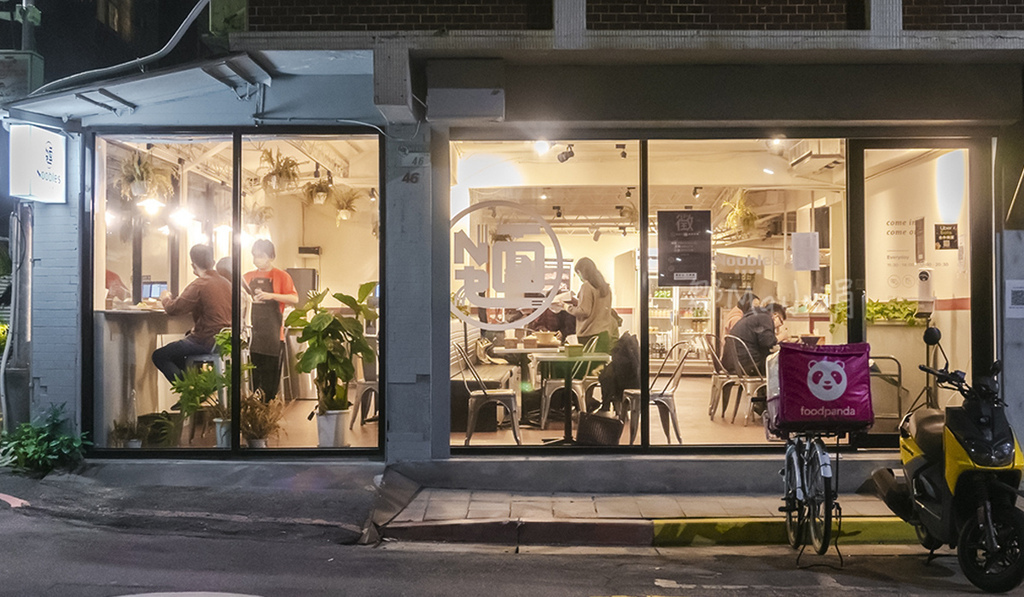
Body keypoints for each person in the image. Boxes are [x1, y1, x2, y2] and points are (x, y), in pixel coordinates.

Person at [152, 245, 232, 383]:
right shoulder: (227, 283)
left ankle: (190, 391)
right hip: (224, 340)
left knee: (160, 356)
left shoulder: (200, 284)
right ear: (213, 262)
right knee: (179, 353)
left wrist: (165, 297)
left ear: (193, 265)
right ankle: (196, 390)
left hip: (205, 340)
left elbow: (173, 309)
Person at [243, 239, 298, 401]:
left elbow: (294, 298)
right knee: (252, 378)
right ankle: (252, 412)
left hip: (273, 335)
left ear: (271, 256)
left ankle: (265, 413)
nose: (257, 259)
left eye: (261, 255)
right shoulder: (247, 277)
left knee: (269, 381)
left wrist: (271, 296)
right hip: (251, 335)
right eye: (254, 255)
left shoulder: (281, 276)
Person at [564, 257, 617, 353]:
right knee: (600, 367)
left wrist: (566, 307)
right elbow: (596, 307)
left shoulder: (586, 286)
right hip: (604, 334)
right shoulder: (605, 288)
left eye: (578, 273)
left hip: (589, 335)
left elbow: (584, 311)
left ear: (582, 272)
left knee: (587, 367)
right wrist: (577, 302)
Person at [722, 301, 787, 377]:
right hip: (747, 365)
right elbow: (767, 342)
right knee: (783, 364)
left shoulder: (752, 316)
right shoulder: (765, 318)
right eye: (781, 321)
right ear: (775, 315)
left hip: (732, 362)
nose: (779, 326)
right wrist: (782, 336)